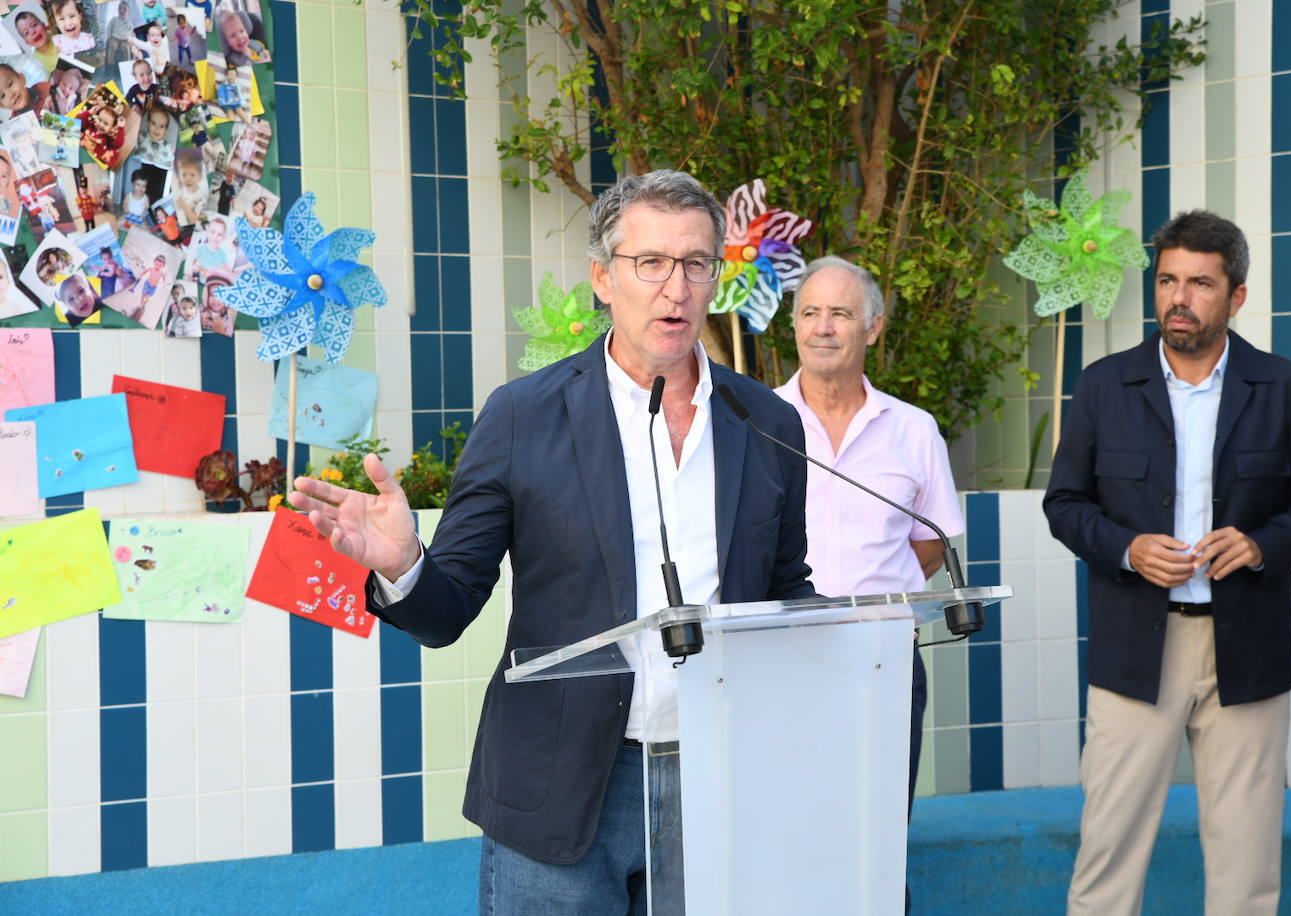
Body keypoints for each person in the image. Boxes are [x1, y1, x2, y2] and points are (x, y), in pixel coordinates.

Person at [288, 170, 815, 913]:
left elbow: (786, 587)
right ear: (603, 278)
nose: (677, 287)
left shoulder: (765, 421)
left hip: (719, 778)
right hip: (561, 790)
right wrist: (406, 563)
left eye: (698, 263)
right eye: (651, 263)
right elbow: (448, 611)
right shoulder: (521, 417)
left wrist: (848, 639)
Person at [1043, 210, 1291, 915]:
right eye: (1168, 279)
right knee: (1108, 852)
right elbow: (1065, 504)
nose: (1179, 297)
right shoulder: (1104, 386)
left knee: (1246, 859)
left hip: (1249, 647)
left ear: (1236, 297)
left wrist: (1264, 544)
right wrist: (1126, 547)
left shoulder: (1282, 386)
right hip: (1135, 649)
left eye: (1201, 283)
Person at [772, 256, 962, 898]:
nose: (823, 328)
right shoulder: (756, 424)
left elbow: (929, 543)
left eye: (841, 313)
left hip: (884, 659)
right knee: (783, 836)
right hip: (779, 661)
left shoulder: (912, 430)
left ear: (873, 328)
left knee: (875, 841)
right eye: (810, 313)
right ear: (792, 326)